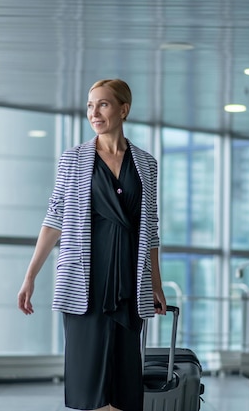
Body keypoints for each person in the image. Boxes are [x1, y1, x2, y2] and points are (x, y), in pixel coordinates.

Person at [17, 78, 167, 411]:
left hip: (129, 281)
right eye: (90, 105)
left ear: (123, 109)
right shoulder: (73, 160)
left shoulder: (147, 164)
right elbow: (54, 218)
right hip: (85, 282)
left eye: (103, 104)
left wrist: (155, 283)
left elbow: (152, 227)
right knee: (90, 388)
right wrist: (30, 276)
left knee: (124, 388)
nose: (94, 113)